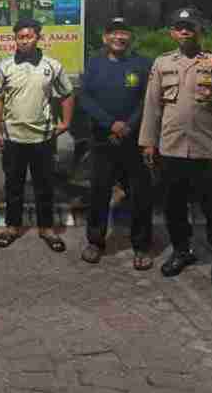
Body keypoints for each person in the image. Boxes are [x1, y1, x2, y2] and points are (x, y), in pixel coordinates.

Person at [138, 7, 212, 289]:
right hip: (172, 149)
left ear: (199, 30)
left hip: (209, 150)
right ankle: (181, 251)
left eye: (190, 26)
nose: (184, 31)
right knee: (173, 207)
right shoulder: (162, 63)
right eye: (179, 27)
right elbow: (152, 106)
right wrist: (148, 142)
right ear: (172, 33)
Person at [0, 18, 74, 252]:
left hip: (43, 139)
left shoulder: (52, 65)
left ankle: (46, 228)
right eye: (20, 37)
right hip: (13, 138)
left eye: (29, 36)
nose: (24, 41)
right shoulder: (5, 66)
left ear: (38, 38)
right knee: (13, 186)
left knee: (44, 186)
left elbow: (67, 93)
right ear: (15, 39)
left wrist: (66, 122)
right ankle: (12, 227)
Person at [78, 17, 155, 269]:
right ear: (105, 37)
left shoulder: (142, 64)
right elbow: (85, 97)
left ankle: (141, 246)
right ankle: (95, 242)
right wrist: (110, 123)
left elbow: (148, 99)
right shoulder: (94, 64)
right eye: (113, 32)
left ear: (130, 37)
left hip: (135, 140)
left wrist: (129, 125)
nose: (119, 37)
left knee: (140, 194)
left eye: (124, 33)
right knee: (99, 193)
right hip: (103, 140)